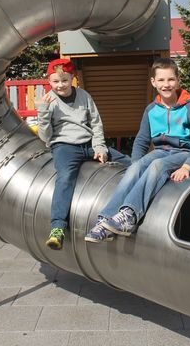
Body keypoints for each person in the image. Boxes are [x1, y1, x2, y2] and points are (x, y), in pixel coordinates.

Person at [85, 58, 190, 242]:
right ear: (153, 82)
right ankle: (105, 220)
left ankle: (130, 215)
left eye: (171, 79)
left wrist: (187, 167)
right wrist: (136, 166)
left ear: (178, 80)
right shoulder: (151, 110)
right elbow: (142, 140)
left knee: (158, 165)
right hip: (161, 151)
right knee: (136, 166)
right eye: (161, 80)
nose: (166, 84)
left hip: (183, 154)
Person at [37, 58, 130, 251]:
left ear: (73, 78)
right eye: (55, 81)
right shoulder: (49, 101)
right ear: (49, 81)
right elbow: (45, 136)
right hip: (64, 145)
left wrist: (100, 147)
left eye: (64, 80)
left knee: (126, 160)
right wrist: (43, 112)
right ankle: (57, 227)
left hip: (88, 144)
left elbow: (96, 124)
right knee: (65, 177)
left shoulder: (84, 96)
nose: (60, 85)